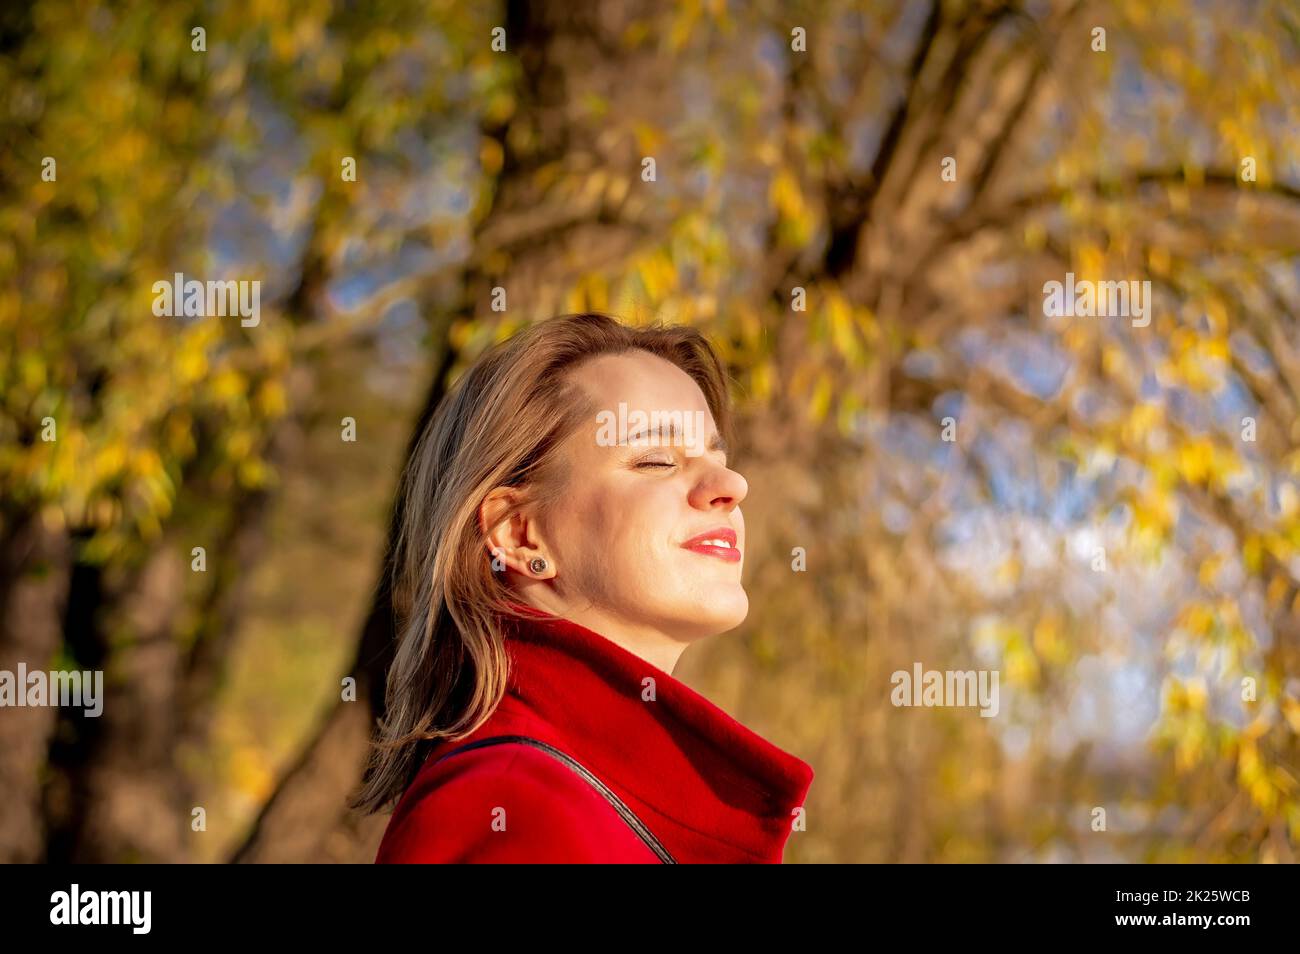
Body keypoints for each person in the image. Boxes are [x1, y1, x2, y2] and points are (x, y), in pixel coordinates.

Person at [361, 312, 813, 863]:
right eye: (656, 460)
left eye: (718, 460)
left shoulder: (582, 796)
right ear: (520, 533)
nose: (732, 485)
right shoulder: (507, 805)